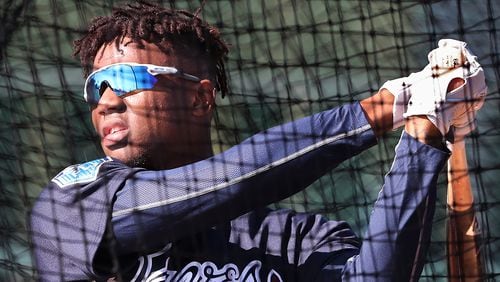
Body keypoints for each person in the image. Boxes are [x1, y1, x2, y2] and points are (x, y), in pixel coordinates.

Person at [29, 2, 487, 281]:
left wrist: (422, 135)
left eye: (124, 78)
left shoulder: (297, 239)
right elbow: (227, 182)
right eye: (95, 86)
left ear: (199, 99)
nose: (105, 101)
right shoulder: (71, 203)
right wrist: (386, 106)